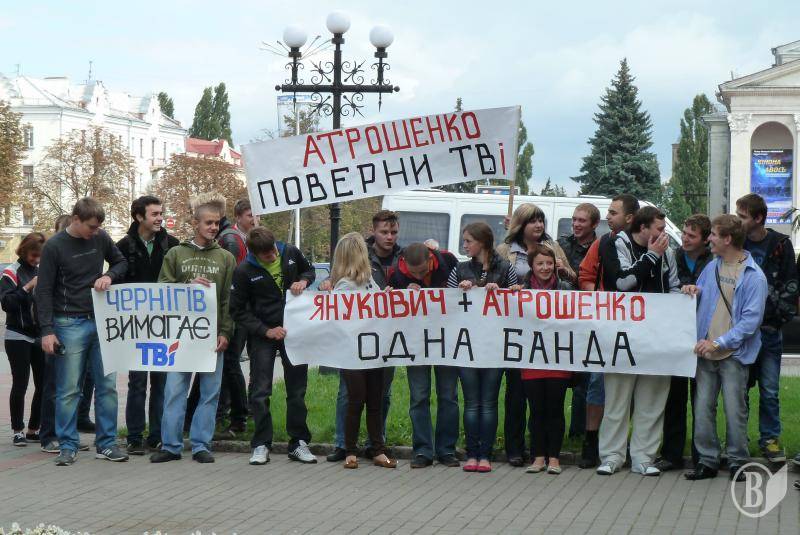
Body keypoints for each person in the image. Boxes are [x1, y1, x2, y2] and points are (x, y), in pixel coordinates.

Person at [36, 197, 129, 466]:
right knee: (68, 389)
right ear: (76, 219)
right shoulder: (54, 246)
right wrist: (47, 330)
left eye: (98, 227)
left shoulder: (101, 238)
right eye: (91, 226)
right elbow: (43, 290)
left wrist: (109, 276)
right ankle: (67, 445)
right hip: (68, 322)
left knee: (107, 386)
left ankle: (107, 444)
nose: (95, 232)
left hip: (101, 319)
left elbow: (121, 262)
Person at [150, 193, 236, 464]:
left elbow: (228, 300)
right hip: (180, 335)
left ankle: (201, 445)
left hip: (211, 338)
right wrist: (186, 287)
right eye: (208, 222)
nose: (213, 227)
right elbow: (162, 289)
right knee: (174, 391)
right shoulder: (176, 254)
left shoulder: (226, 258)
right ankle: (171, 445)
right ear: (195, 223)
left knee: (210, 393)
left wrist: (225, 332)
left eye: (217, 223)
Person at [596, 206, 680, 477]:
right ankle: (612, 455)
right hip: (622, 335)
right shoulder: (616, 244)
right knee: (617, 399)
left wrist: (681, 299)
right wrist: (652, 256)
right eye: (659, 229)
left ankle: (643, 457)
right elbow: (623, 283)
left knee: (652, 400)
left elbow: (674, 287)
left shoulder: (668, 252)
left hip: (656, 337)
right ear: (642, 228)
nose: (664, 234)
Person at [683, 215, 767, 482]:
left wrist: (718, 343)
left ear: (728, 239)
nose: (709, 239)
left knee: (734, 411)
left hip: (733, 355)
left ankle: (737, 462)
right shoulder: (711, 267)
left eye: (713, 235)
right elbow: (704, 300)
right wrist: (693, 291)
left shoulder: (754, 276)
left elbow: (750, 322)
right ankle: (707, 461)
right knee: (702, 409)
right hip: (706, 352)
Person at [229, 227, 317, 466]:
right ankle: (261, 444)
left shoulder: (289, 252)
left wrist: (303, 280)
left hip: (294, 331)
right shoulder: (244, 271)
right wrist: (265, 330)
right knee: (260, 392)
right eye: (267, 255)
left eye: (274, 251)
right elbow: (237, 310)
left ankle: (298, 442)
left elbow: (309, 270)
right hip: (263, 336)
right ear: (254, 253)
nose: (273, 256)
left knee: (297, 390)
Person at [497, 203, 574, 467]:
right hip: (520, 336)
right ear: (521, 224)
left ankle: (544, 453)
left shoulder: (553, 247)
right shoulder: (506, 250)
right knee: (516, 396)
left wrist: (562, 269)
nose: (539, 225)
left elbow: (571, 280)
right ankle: (515, 448)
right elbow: (497, 281)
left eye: (541, 220)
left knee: (548, 403)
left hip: (550, 342)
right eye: (533, 221)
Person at [326, 210, 401, 462]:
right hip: (353, 352)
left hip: (374, 349)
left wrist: (385, 296)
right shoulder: (344, 287)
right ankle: (350, 449)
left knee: (375, 400)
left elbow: (378, 304)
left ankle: (377, 448)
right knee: (356, 400)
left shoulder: (368, 281)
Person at [448, 221, 518, 473]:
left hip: (494, 346)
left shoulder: (506, 268)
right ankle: (472, 453)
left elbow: (516, 302)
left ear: (483, 242)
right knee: (471, 402)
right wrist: (461, 292)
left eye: (468, 241)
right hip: (467, 346)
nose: (464, 245)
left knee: (488, 402)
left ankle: (485, 455)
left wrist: (501, 292)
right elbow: (446, 305)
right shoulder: (460, 269)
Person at [576, 194, 639, 468]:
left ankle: (621, 441)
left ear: (630, 218)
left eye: (613, 213)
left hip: (635, 327)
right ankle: (591, 440)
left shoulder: (643, 246)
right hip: (605, 325)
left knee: (631, 385)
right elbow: (585, 277)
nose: (608, 217)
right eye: (608, 212)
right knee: (597, 383)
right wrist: (604, 299)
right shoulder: (602, 243)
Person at [736, 193, 798, 463]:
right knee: (739, 390)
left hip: (770, 331)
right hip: (742, 332)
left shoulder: (780, 245)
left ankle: (770, 441)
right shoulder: (737, 244)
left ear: (758, 218)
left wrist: (776, 319)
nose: (738, 221)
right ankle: (738, 441)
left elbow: (791, 285)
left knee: (770, 391)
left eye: (742, 216)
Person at [116, 195, 179, 455]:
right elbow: (116, 281)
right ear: (139, 216)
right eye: (154, 214)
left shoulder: (172, 245)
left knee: (161, 382)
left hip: (164, 326)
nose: (160, 218)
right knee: (137, 382)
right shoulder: (123, 246)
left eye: (161, 213)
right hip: (136, 327)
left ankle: (156, 435)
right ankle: (134, 436)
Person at [388, 242, 460, 468]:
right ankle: (422, 451)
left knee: (448, 396)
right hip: (416, 343)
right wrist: (400, 293)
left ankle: (446, 450)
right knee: (419, 397)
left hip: (447, 341)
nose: (419, 276)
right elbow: (388, 304)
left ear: (431, 258)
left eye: (422, 271)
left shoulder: (449, 261)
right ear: (404, 264)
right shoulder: (396, 273)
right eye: (414, 273)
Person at [655, 214, 712, 472]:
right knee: (674, 399)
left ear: (705, 239)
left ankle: (702, 455)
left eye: (692, 235)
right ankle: (671, 454)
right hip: (676, 336)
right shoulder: (673, 256)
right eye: (684, 233)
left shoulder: (713, 261)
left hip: (703, 336)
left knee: (702, 400)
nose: (685, 239)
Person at [521, 243, 573, 475]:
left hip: (558, 358)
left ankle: (554, 458)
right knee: (536, 410)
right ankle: (538, 456)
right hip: (531, 359)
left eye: (549, 263)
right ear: (531, 266)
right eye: (540, 263)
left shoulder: (566, 288)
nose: (545, 268)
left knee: (555, 409)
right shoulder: (521, 289)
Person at [557, 203, 600, 439]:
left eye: (582, 220)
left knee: (584, 379)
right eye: (574, 219)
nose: (576, 224)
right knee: (558, 377)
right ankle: (556, 432)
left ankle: (579, 433)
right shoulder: (561, 244)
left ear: (594, 224)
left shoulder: (601, 248)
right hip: (561, 318)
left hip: (587, 320)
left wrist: (570, 275)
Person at [215, 198, 256, 434]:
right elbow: (234, 277)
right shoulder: (233, 240)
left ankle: (234, 413)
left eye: (257, 215)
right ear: (238, 217)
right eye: (250, 215)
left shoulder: (246, 238)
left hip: (243, 310)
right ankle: (237, 413)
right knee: (231, 362)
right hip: (237, 310)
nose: (255, 220)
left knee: (230, 362)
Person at [2, 232, 46, 446]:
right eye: (33, 255)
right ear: (25, 250)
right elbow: (7, 303)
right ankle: (17, 430)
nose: (36, 260)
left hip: (38, 335)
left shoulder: (40, 271)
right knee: (20, 383)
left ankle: (33, 429)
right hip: (17, 335)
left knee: (43, 384)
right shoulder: (11, 272)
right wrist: (28, 287)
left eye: (40, 256)